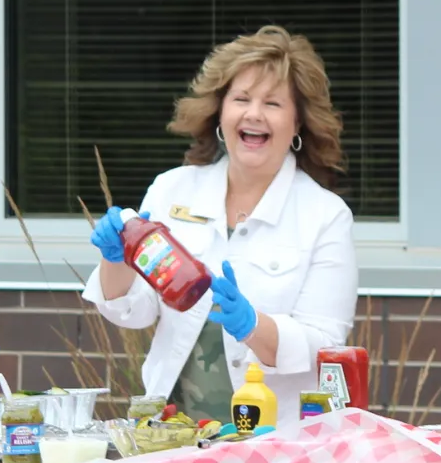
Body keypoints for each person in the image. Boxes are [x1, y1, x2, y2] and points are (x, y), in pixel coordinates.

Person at [82, 25, 357, 430]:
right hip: (168, 431)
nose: (253, 114)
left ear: (298, 123)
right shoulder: (172, 188)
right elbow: (134, 312)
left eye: (273, 103)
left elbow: (326, 346)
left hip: (272, 439)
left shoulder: (326, 215)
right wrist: (116, 260)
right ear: (220, 112)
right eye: (241, 99)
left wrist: (254, 326)